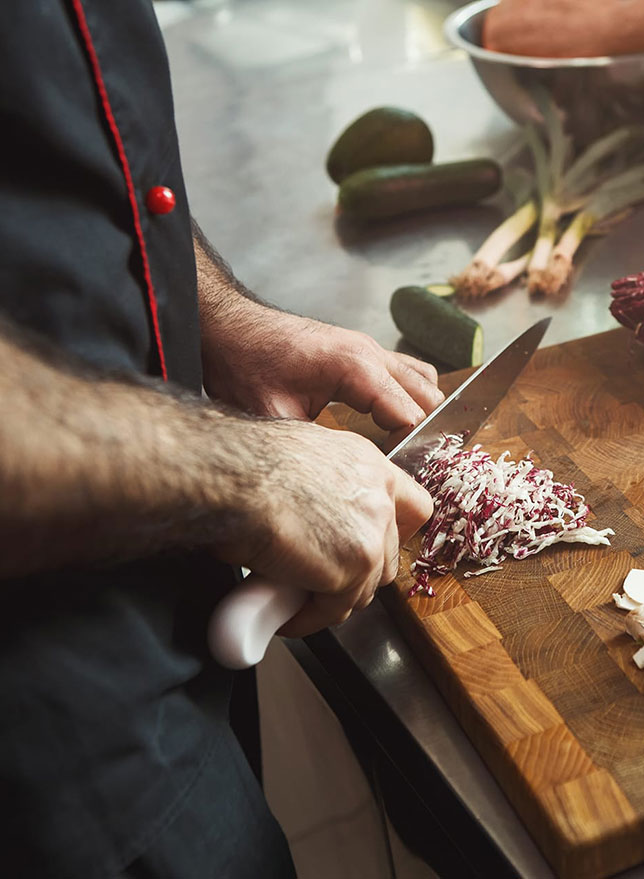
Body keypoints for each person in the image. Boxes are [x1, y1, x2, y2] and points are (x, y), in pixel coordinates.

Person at [0, 2, 441, 876]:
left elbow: (62, 155)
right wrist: (247, 474)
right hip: (46, 751)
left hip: (170, 621)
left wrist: (224, 323)